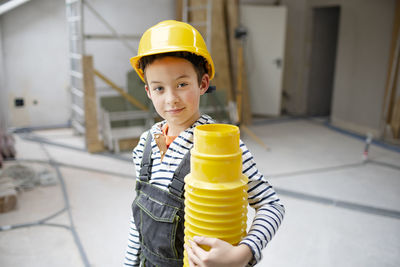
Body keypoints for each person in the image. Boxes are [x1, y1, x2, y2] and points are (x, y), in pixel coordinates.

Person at [124, 20, 285, 267]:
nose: (171, 99)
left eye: (182, 84)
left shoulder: (220, 146)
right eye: (159, 88)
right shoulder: (147, 143)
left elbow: (271, 205)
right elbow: (139, 225)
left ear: (203, 84)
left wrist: (243, 253)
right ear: (148, 91)